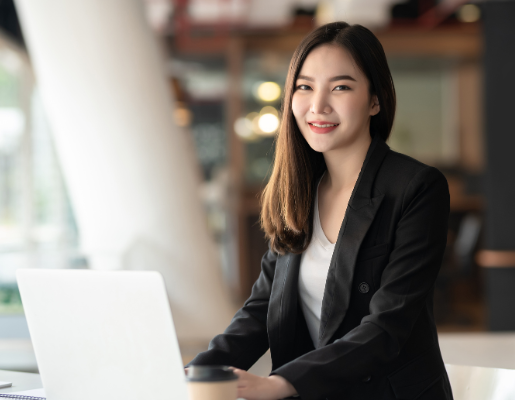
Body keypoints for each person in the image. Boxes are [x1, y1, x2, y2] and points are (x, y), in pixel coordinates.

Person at [187, 21, 453, 400]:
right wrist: (197, 371)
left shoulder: (416, 188)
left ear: (375, 99)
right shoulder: (299, 192)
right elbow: (261, 311)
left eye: (340, 87)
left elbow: (387, 327)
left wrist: (283, 383)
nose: (318, 105)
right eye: (304, 87)